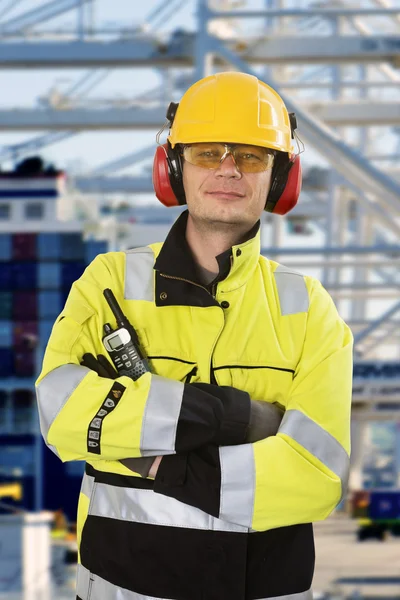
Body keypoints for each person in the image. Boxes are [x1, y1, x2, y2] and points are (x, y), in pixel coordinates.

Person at [35, 71, 353, 600]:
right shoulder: (108, 281)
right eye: (208, 152)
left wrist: (153, 458)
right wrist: (230, 416)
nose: (229, 169)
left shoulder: (309, 307)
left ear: (279, 179)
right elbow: (60, 411)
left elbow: (317, 476)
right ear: (173, 169)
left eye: (250, 156)